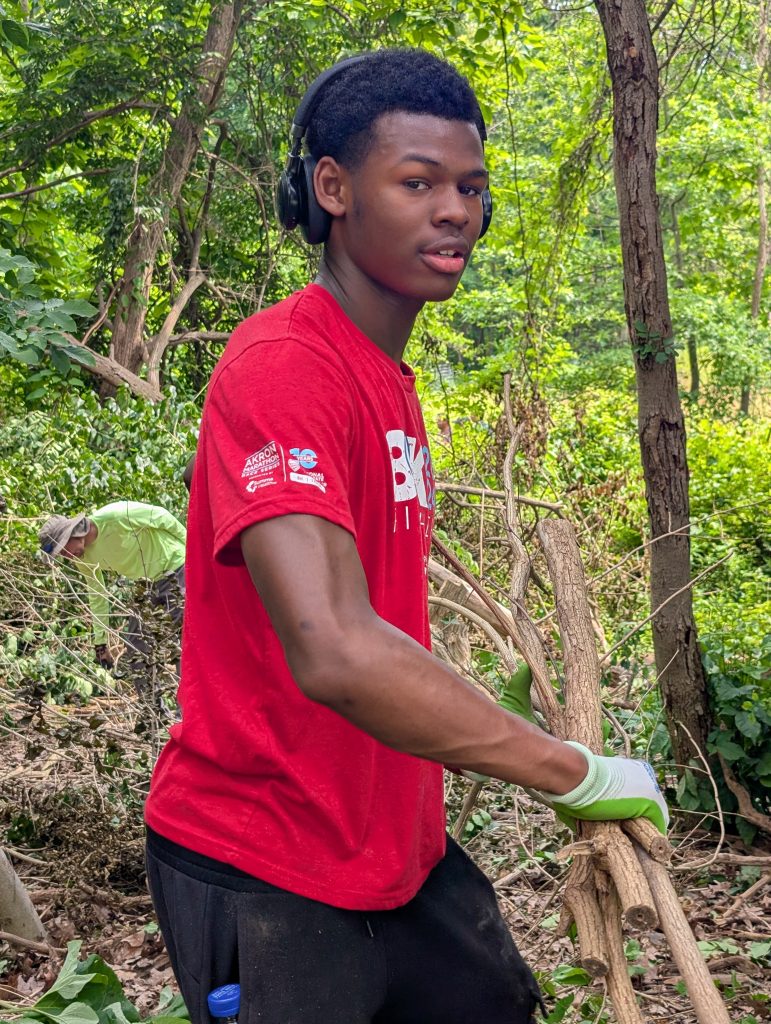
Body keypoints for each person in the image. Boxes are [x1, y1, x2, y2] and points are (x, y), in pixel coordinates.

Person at [143, 49, 669, 1024]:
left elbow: (382, 623)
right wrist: (572, 771)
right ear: (332, 189)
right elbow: (337, 648)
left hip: (393, 848)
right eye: (418, 182)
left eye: (470, 187)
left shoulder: (383, 377)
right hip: (267, 861)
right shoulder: (283, 368)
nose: (455, 211)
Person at [39, 501, 186, 672]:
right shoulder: (81, 557)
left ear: (73, 533)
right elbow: (97, 593)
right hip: (146, 584)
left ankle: (190, 689)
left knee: (184, 635)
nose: (68, 556)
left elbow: (162, 517)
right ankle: (151, 690)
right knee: (137, 645)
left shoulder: (115, 516)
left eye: (64, 550)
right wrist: (100, 644)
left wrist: (196, 550)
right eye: (62, 555)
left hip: (176, 567)